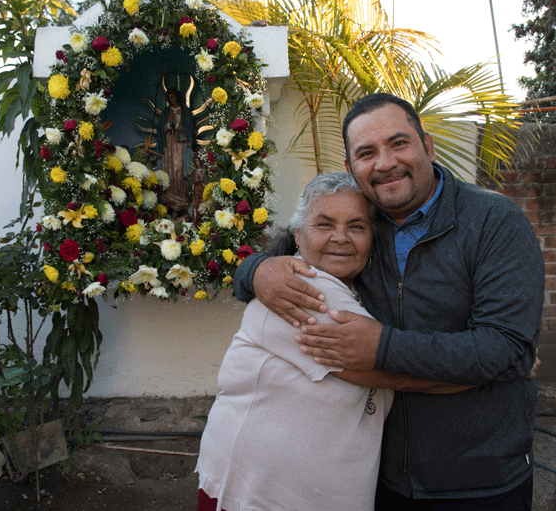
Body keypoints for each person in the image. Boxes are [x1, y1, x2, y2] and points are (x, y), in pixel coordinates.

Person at [233, 93, 545, 510]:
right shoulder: (357, 224)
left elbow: (505, 349)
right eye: (367, 153)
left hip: (481, 480)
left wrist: (381, 347)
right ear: (351, 168)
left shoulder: (493, 220)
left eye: (399, 144)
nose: (384, 163)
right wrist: (254, 272)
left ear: (427, 146)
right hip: (382, 477)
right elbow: (286, 252)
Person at [197, 172, 477, 511]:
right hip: (260, 493)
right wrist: (489, 366)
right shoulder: (301, 288)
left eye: (357, 227)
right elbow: (387, 369)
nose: (341, 238)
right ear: (298, 236)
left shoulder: (357, 288)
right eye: (324, 225)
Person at [158, 89, 195, 214]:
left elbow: (189, 128)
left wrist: (180, 127)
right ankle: (170, 203)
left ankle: (181, 202)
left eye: (173, 97)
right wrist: (167, 126)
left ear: (177, 97)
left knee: (179, 172)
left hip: (180, 144)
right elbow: (160, 128)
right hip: (168, 145)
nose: (171, 100)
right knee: (169, 171)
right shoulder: (166, 112)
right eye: (169, 98)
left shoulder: (184, 111)